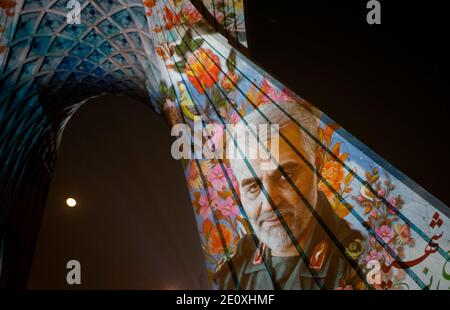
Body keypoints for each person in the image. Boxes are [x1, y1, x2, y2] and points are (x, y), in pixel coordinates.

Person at [214, 101, 367, 290]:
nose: (269, 203)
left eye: (285, 177)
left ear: (317, 164)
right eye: (253, 186)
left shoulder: (360, 265)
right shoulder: (231, 274)